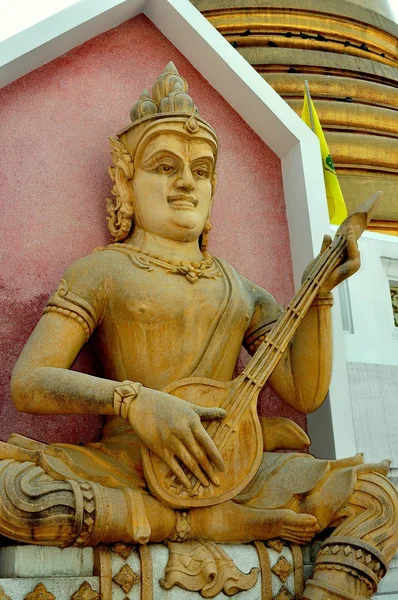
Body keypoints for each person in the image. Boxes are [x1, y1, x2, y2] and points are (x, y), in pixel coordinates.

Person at [1, 63, 397, 600]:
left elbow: (305, 392)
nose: (186, 181)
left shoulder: (242, 290)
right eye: (165, 166)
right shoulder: (101, 272)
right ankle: (211, 524)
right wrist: (135, 402)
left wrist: (320, 292)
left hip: (234, 468)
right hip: (127, 466)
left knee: (376, 497)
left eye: (202, 170)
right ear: (125, 181)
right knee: (11, 489)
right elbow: (29, 381)